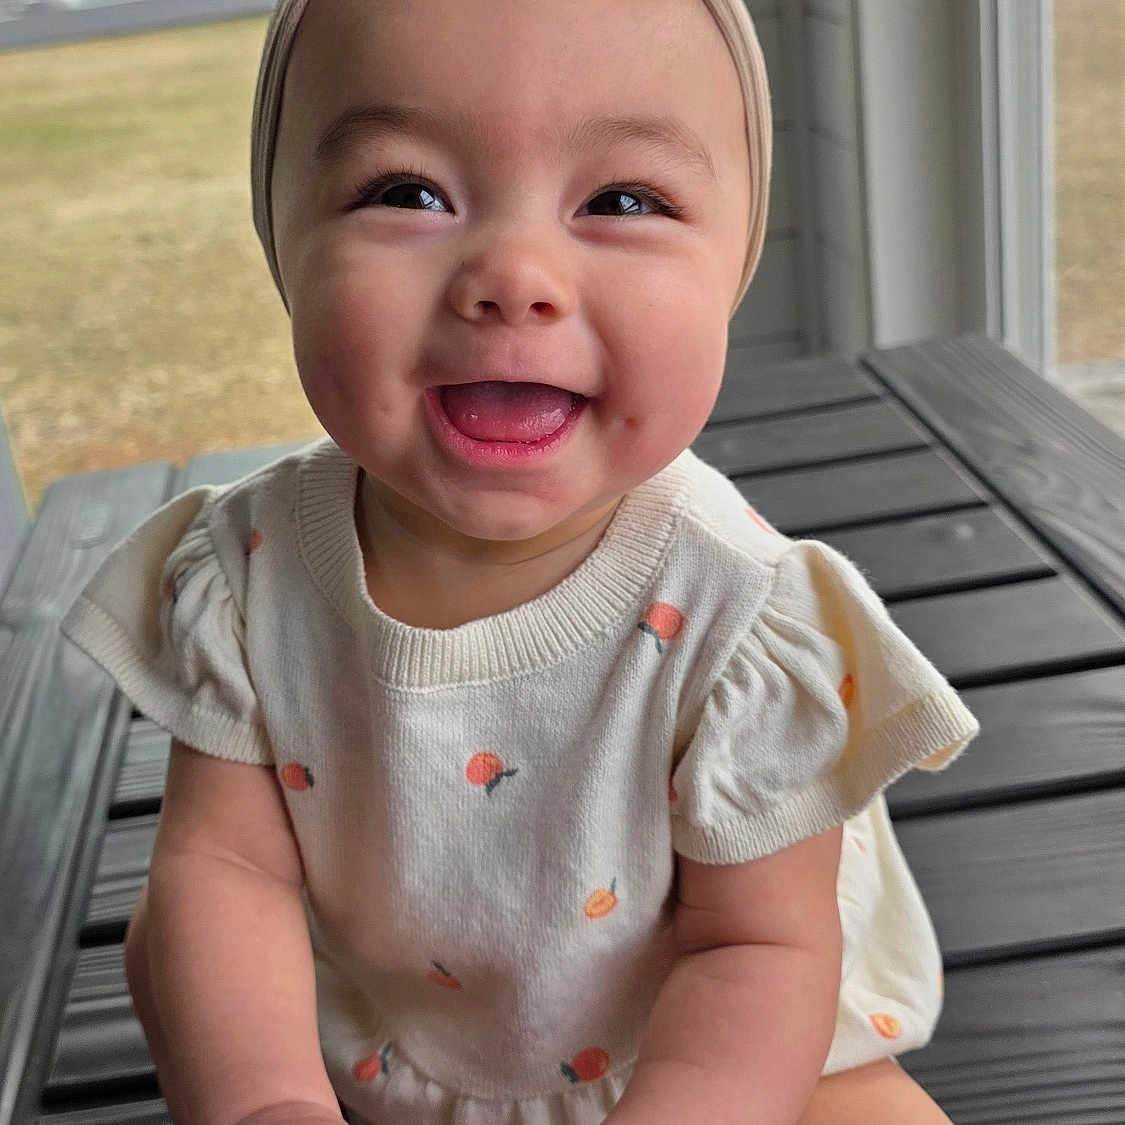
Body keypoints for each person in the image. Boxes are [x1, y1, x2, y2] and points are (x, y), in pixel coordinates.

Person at [61, 0, 980, 1122]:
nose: (514, 274)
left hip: (705, 1056)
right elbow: (231, 872)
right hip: (379, 1032)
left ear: (734, 259)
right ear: (283, 244)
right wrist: (265, 1102)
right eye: (407, 193)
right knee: (172, 945)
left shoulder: (743, 617)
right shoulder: (252, 570)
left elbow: (759, 952)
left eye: (622, 200)